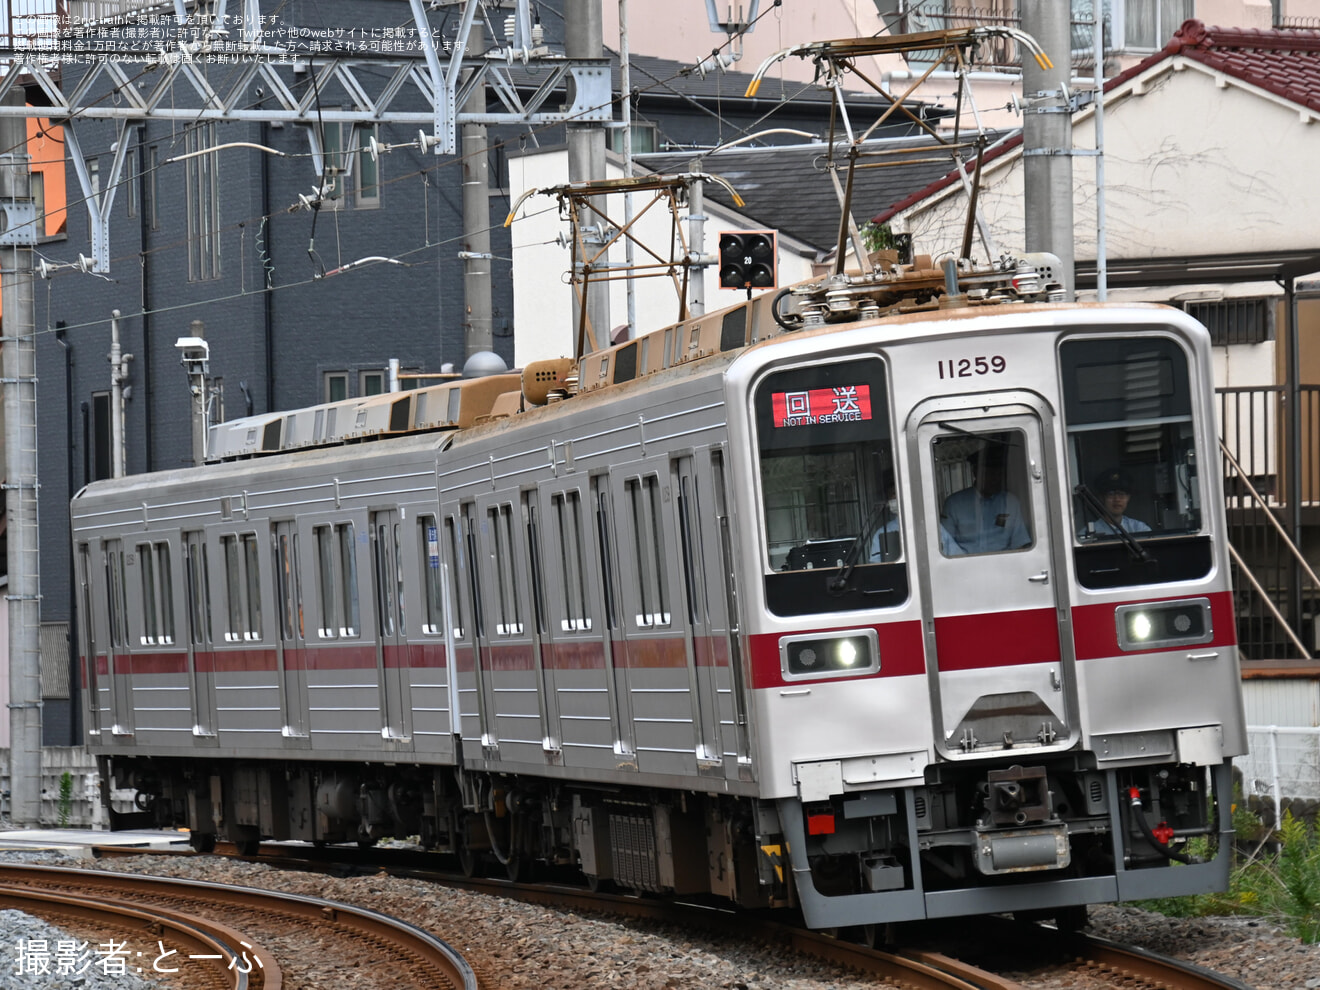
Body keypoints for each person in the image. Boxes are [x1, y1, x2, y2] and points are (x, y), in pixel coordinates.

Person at [940, 448, 1031, 555]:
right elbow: (945, 544)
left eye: (998, 474)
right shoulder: (954, 503)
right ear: (975, 472)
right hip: (965, 566)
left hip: (1004, 565)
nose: (995, 479)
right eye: (990, 473)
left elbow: (1020, 543)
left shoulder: (1010, 502)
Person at [1083, 468, 1152, 538]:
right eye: (1111, 494)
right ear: (1101, 498)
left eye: (1121, 494)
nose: (1117, 499)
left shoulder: (1139, 528)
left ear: (1128, 498)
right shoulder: (1088, 533)